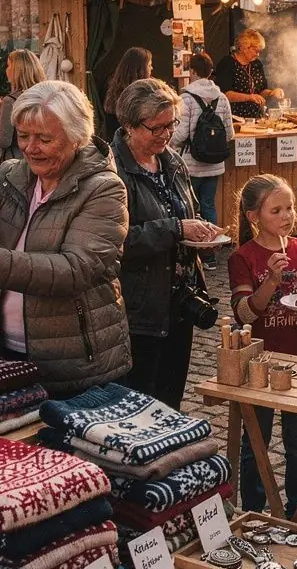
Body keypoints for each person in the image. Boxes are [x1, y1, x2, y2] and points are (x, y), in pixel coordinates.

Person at [0, 80, 131, 394]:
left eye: (44, 138)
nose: (30, 147)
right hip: (4, 351)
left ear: (77, 137)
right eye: (22, 135)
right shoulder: (10, 175)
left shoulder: (104, 189)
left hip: (75, 363)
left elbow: (76, 270)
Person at [112, 78, 220, 409]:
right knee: (140, 406)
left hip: (178, 303)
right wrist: (176, 229)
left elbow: (189, 213)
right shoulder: (112, 171)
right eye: (156, 128)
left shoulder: (172, 160)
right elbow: (116, 240)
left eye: (171, 125)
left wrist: (201, 234)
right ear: (129, 125)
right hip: (138, 308)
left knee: (171, 402)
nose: (166, 134)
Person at [228, 174, 297, 518]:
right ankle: (254, 511)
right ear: (254, 217)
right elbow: (244, 313)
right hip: (260, 361)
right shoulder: (244, 257)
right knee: (256, 442)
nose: (287, 216)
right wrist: (271, 281)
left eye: (290, 208)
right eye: (276, 210)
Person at [171, 51, 235, 261]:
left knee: (189, 208)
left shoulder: (186, 98)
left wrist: (168, 145)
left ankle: (192, 256)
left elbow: (180, 135)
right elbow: (230, 134)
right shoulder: (222, 97)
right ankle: (210, 257)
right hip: (215, 164)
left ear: (192, 71)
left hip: (191, 164)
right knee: (208, 205)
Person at [0, 49, 45, 163]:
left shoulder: (10, 101)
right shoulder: (44, 95)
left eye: (8, 65)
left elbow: (3, 141)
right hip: (42, 158)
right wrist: (3, 106)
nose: (6, 69)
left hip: (17, 162)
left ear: (17, 70)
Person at [214, 29, 284, 121]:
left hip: (257, 117)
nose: (258, 54)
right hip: (234, 118)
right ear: (244, 47)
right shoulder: (227, 63)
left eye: (259, 51)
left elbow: (262, 91)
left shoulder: (257, 64)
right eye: (256, 50)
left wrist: (271, 92)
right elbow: (225, 94)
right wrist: (249, 97)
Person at [102, 47, 153, 140]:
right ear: (140, 69)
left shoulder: (114, 87)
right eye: (149, 65)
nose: (151, 68)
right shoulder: (140, 93)